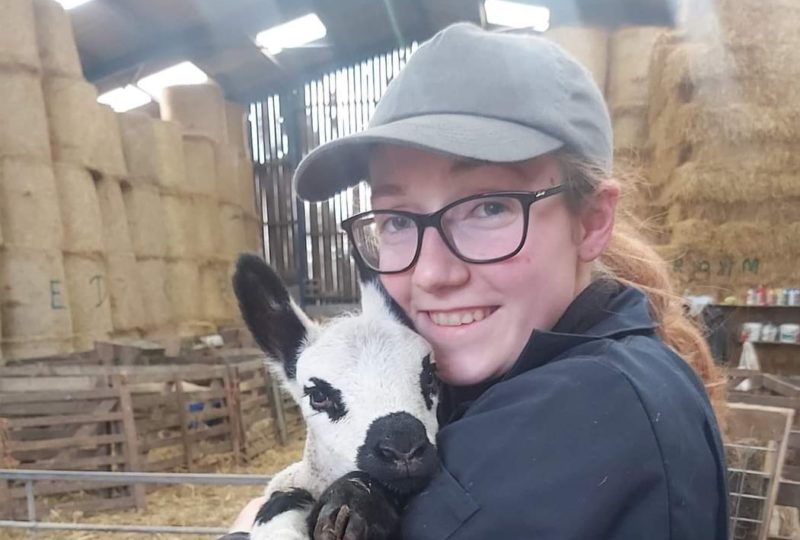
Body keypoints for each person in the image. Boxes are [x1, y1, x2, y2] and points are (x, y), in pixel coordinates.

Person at [225, 22, 729, 539]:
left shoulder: (588, 412)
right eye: (396, 220)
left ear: (591, 221)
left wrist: (261, 518)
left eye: (489, 207)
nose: (433, 272)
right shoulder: (515, 371)